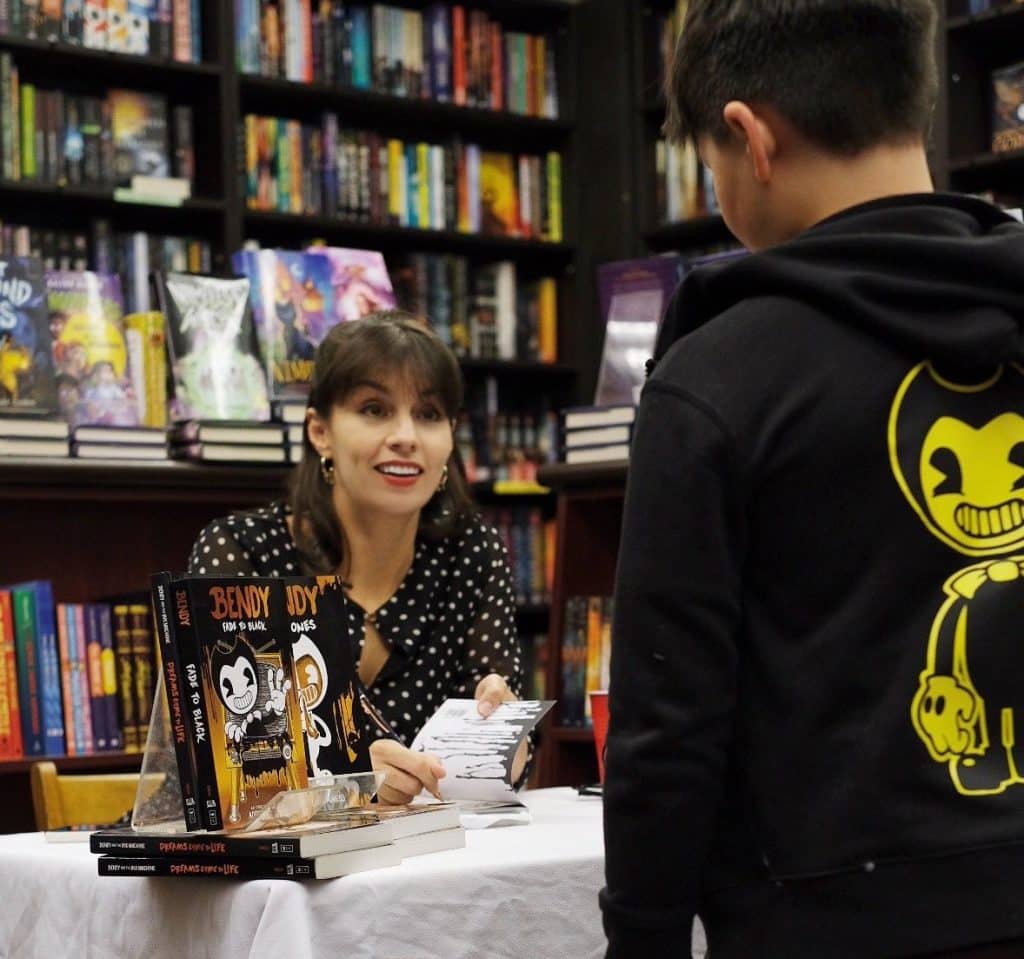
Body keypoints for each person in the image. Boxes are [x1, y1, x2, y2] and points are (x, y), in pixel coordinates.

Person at [600, 2, 1024, 958]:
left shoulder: (715, 382)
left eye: (710, 168)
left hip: (827, 925)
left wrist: (645, 939)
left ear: (749, 138)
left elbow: (668, 730)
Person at [188, 311, 527, 805]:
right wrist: (342, 779)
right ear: (320, 431)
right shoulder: (241, 553)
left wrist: (504, 737)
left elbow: (495, 754)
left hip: (421, 861)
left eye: (429, 414)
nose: (406, 436)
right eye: (374, 409)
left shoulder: (471, 555)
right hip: (261, 870)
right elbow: (228, 760)